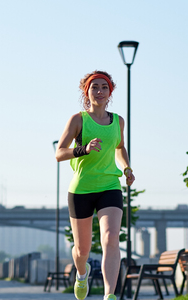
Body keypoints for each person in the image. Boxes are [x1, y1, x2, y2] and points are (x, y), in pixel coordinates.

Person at [55, 70, 135, 300]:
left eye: (104, 87)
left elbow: (119, 148)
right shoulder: (78, 120)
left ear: (110, 92)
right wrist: (84, 149)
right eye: (94, 87)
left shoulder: (117, 121)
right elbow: (59, 153)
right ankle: (82, 274)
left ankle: (110, 294)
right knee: (82, 251)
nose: (99, 91)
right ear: (86, 91)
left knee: (110, 237)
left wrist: (127, 168)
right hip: (81, 189)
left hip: (110, 185)